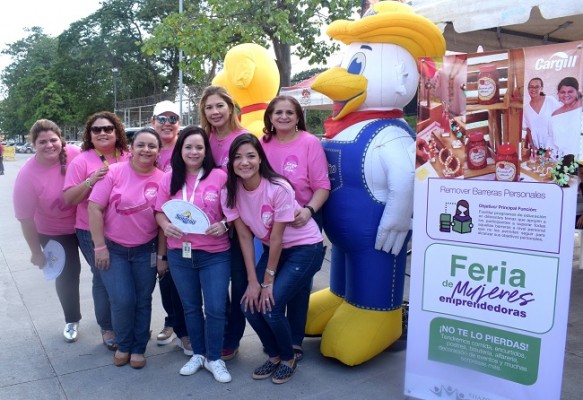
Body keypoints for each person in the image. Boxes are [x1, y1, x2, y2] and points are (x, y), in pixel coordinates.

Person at [222, 134, 324, 384]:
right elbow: (245, 238)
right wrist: (252, 282)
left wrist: (266, 283)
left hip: (305, 248)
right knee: (248, 304)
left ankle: (289, 358)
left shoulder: (278, 187)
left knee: (270, 305)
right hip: (273, 250)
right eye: (237, 157)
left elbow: (277, 238)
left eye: (250, 156)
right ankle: (275, 354)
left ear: (260, 159)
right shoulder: (229, 192)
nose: (244, 162)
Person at [155, 126, 232, 383]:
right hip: (181, 254)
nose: (194, 151)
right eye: (188, 146)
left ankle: (214, 358)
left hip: (215, 253)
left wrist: (225, 225)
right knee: (190, 308)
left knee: (215, 307)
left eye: (199, 147)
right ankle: (198, 354)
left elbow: (234, 211)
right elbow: (159, 211)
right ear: (180, 150)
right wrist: (166, 226)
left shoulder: (220, 177)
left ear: (206, 151)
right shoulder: (169, 178)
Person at [88, 127, 164, 369]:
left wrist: (162, 256)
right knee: (122, 299)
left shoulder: (163, 179)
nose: (146, 150)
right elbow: (94, 208)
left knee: (143, 299)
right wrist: (100, 246)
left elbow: (164, 221)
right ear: (131, 148)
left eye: (152, 146)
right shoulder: (114, 172)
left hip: (147, 250)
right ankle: (124, 344)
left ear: (158, 151)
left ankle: (139, 347)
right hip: (114, 249)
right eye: (141, 144)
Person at [260, 95, 330, 361]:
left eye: (290, 112)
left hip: (304, 217)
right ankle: (278, 334)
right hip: (271, 222)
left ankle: (294, 340)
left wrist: (309, 210)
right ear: (270, 117)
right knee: (274, 277)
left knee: (299, 285)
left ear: (298, 116)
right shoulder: (262, 143)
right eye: (278, 112)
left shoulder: (310, 143)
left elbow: (322, 185)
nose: (284, 117)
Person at [63, 111, 128, 351]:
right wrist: (91, 181)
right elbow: (69, 199)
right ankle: (108, 326)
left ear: (116, 131)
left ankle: (124, 323)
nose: (102, 133)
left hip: (124, 230)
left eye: (108, 128)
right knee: (103, 277)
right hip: (90, 231)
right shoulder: (82, 160)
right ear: (89, 134)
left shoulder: (127, 156)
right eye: (96, 129)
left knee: (122, 280)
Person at [14, 119, 82, 342]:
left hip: (85, 222)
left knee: (106, 271)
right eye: (42, 142)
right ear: (33, 144)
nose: (49, 145)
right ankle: (71, 319)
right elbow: (25, 218)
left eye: (53, 140)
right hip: (54, 231)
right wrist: (36, 251)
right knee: (67, 275)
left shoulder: (75, 153)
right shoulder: (27, 175)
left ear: (61, 140)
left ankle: (111, 321)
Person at [199, 85, 248, 360]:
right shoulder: (202, 139)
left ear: (230, 107)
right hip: (207, 225)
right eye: (209, 107)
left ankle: (232, 338)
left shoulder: (244, 138)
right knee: (215, 287)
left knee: (238, 283)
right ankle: (217, 330)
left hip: (238, 223)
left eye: (220, 105)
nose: (215, 112)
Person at [150, 100, 191, 355]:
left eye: (172, 118)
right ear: (153, 122)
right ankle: (171, 322)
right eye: (161, 119)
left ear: (179, 123)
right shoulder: (147, 148)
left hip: (180, 226)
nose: (167, 123)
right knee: (163, 275)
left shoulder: (187, 149)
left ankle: (186, 327)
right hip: (149, 224)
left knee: (183, 279)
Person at [549, 77, 583, 160]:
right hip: (560, 160)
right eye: (562, 92)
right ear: (558, 94)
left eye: (570, 91)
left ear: (577, 92)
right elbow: (551, 139)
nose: (566, 95)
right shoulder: (555, 114)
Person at [523, 77, 561, 150]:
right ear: (528, 89)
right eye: (531, 87)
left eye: (537, 87)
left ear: (541, 88)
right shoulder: (526, 108)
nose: (533, 89)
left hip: (553, 147)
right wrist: (532, 146)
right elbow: (528, 129)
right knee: (540, 161)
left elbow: (560, 119)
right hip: (538, 148)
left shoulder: (550, 100)